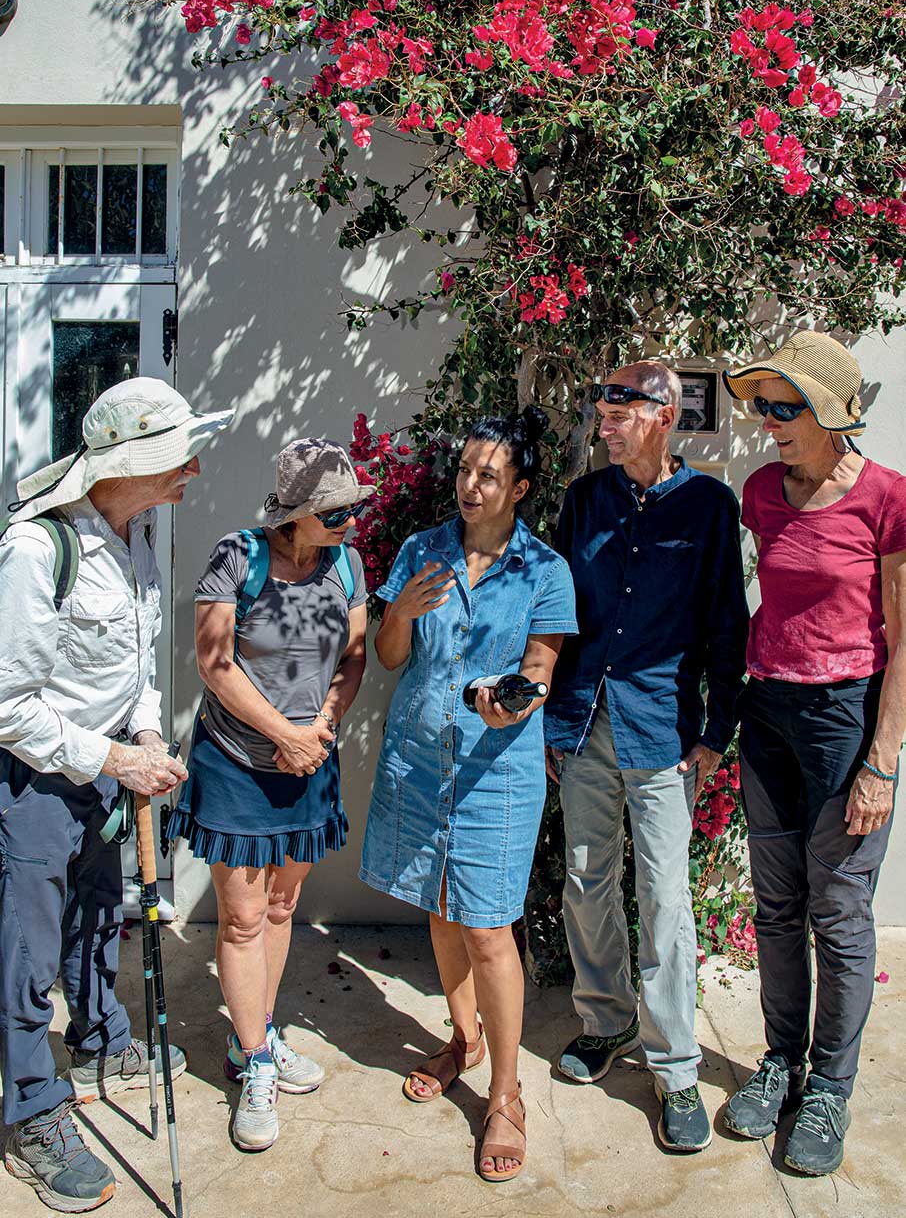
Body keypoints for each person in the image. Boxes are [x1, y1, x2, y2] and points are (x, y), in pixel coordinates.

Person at [0, 378, 234, 1212]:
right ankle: (32, 1109)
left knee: (101, 920)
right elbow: (7, 705)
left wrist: (140, 738)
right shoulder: (38, 549)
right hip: (33, 784)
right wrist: (109, 754)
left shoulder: (136, 535)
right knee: (26, 958)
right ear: (127, 462)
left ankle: (100, 1041)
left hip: (105, 772)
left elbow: (136, 662)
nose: (193, 469)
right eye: (177, 457)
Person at [360, 407, 576, 1182]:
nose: (470, 485)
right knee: (441, 908)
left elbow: (540, 673)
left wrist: (507, 702)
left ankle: (507, 1095)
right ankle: (463, 1038)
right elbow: (389, 657)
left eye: (489, 474)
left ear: (518, 486)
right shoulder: (421, 551)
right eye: (464, 470)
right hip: (421, 761)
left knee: (489, 928)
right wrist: (401, 611)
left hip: (497, 773)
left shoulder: (544, 570)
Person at [545, 360, 748, 1153]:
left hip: (663, 728)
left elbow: (726, 623)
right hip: (586, 721)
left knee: (665, 898)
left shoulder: (708, 506)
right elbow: (557, 614)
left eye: (618, 408)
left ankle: (674, 1067)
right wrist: (555, 718)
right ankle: (607, 1020)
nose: (604, 421)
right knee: (588, 878)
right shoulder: (585, 501)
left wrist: (714, 731)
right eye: (600, 408)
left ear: (661, 416)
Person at [720, 331, 906, 1175]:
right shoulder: (762, 491)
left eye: (785, 407)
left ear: (832, 413)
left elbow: (904, 642)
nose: (768, 422)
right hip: (770, 713)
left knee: (839, 911)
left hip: (847, 717)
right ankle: (780, 1061)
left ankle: (829, 1086)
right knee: (776, 906)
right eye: (763, 405)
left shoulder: (888, 499)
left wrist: (883, 759)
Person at [165, 438, 371, 1152]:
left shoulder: (346, 561)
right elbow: (214, 663)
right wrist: (282, 731)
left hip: (308, 758)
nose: (353, 518)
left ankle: (255, 1032)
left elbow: (353, 654)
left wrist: (322, 723)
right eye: (337, 510)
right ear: (297, 512)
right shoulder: (237, 556)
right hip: (239, 763)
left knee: (282, 904)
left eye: (355, 505)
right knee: (244, 914)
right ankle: (255, 1060)